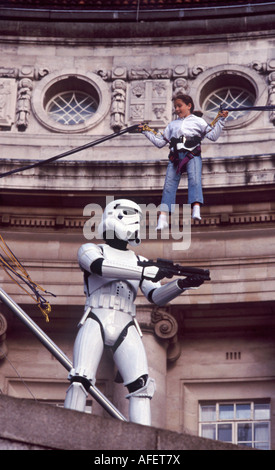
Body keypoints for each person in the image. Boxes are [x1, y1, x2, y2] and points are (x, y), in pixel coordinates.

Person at [64, 199, 207, 425]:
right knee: (80, 378)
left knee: (141, 386)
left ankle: (144, 444)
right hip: (97, 316)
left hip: (126, 322)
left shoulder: (139, 260)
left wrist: (182, 284)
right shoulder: (92, 249)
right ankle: (68, 432)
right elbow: (98, 266)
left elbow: (155, 296)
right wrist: (143, 270)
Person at [140, 93, 228, 229]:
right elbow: (159, 142)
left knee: (194, 179)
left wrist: (221, 120)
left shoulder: (198, 121)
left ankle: (196, 208)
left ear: (189, 106)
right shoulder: (172, 125)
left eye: (179, 106)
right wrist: (146, 131)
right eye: (175, 107)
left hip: (192, 155)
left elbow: (213, 136)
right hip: (175, 157)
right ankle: (163, 217)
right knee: (169, 185)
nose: (177, 109)